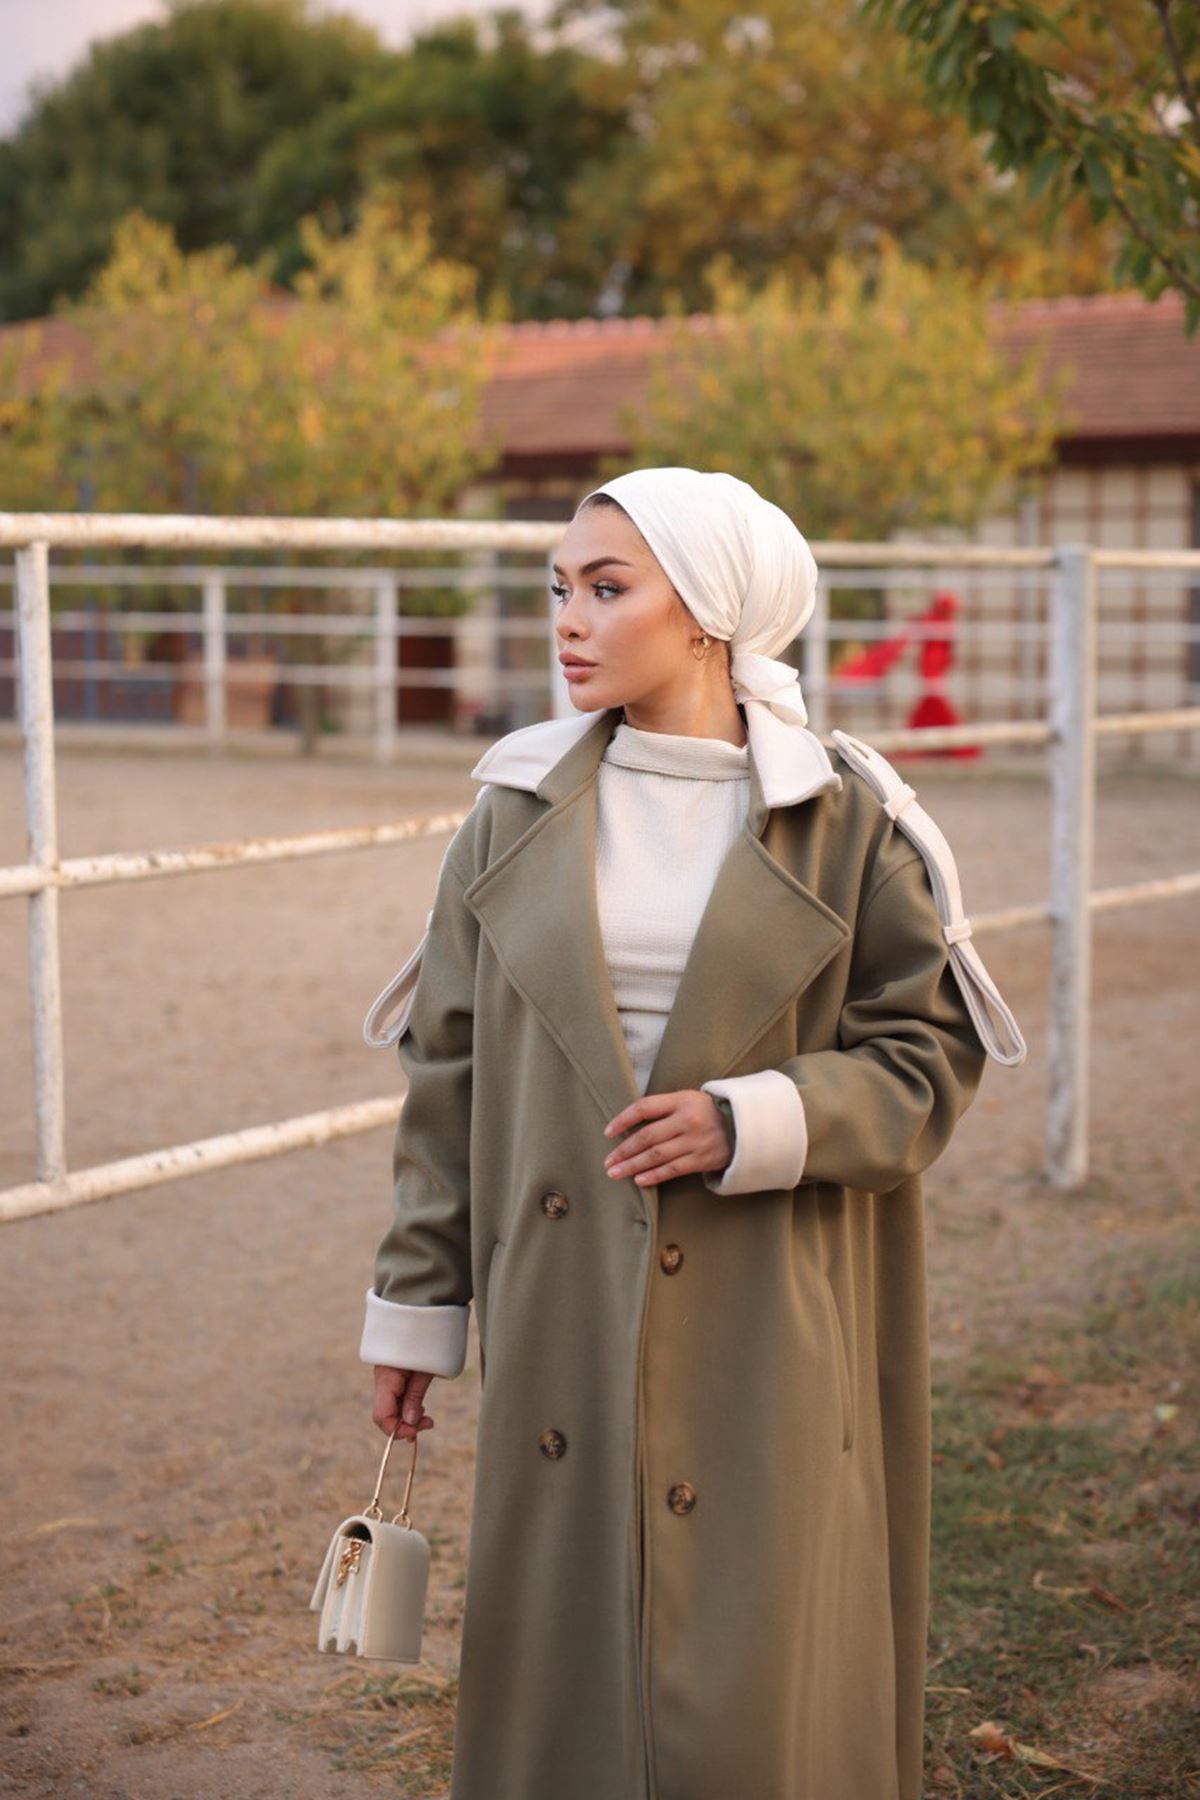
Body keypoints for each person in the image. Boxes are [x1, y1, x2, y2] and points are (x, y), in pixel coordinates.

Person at [357, 466, 1026, 1800]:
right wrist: (417, 1309)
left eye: (609, 588)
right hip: (562, 1307)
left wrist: (752, 1121)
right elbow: (449, 1072)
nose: (569, 619)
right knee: (566, 1667)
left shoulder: (852, 824)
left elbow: (925, 1058)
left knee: (753, 1677)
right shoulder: (510, 811)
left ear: (712, 614)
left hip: (767, 1309)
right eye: (561, 587)